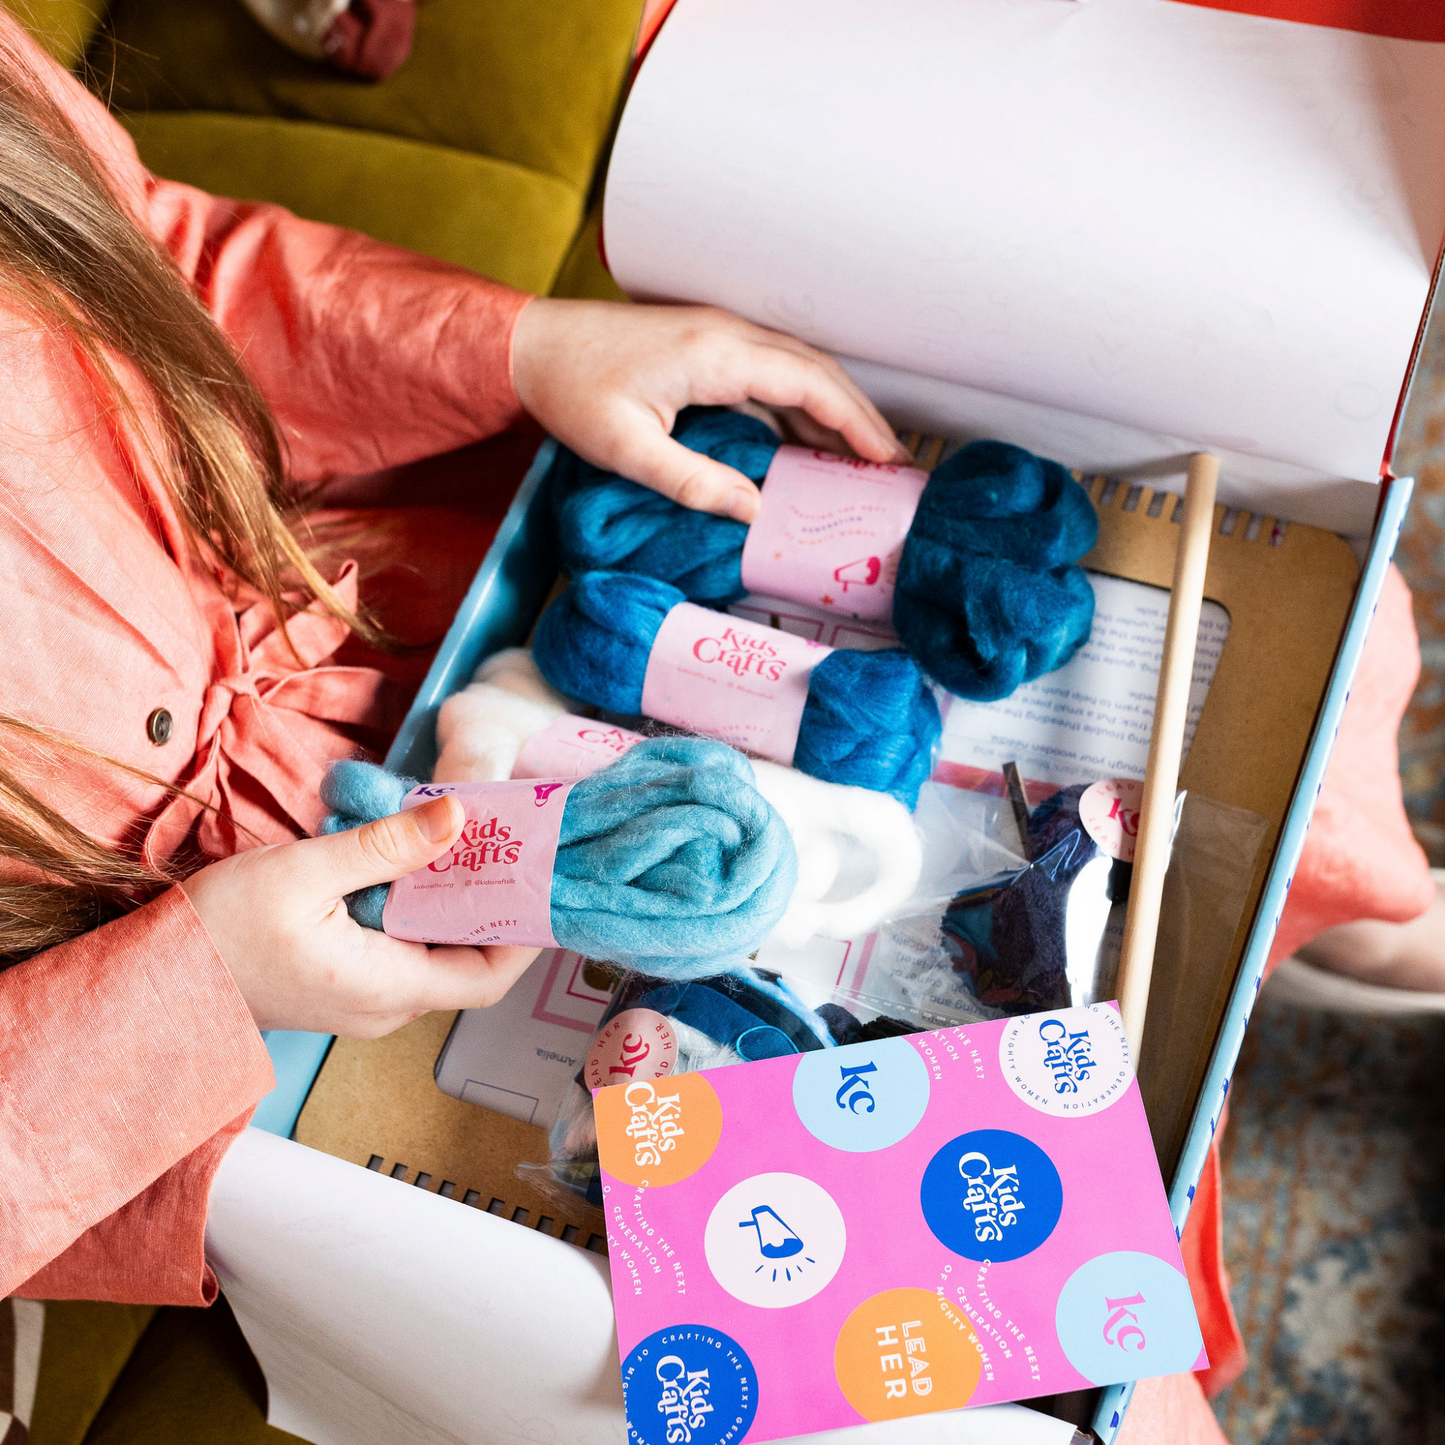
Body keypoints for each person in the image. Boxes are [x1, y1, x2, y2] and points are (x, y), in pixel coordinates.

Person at [0, 5, 1437, 1442]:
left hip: (411, 593)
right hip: (201, 1058)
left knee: (1325, 662)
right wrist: (192, 985)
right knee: (1030, 1344)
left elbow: (139, 253)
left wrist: (518, 345)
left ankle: (1361, 916)